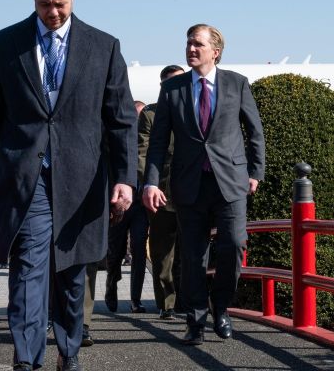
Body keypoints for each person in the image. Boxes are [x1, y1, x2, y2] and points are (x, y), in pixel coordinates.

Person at [0, 0, 136, 371]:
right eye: (45, 3)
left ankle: (69, 351)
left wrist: (125, 178)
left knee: (71, 272)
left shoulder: (103, 46)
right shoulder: (3, 45)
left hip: (81, 180)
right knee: (28, 269)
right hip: (26, 178)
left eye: (61, 4)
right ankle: (26, 359)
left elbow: (120, 120)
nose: (53, 12)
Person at [143, 24, 265, 345]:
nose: (191, 49)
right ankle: (195, 320)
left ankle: (220, 307)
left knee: (234, 245)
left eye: (198, 44)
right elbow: (158, 141)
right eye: (188, 43)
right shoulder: (173, 89)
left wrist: (255, 172)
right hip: (189, 184)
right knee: (193, 257)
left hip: (231, 183)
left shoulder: (237, 83)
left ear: (216, 51)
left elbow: (255, 132)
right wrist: (151, 183)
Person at [138, 65, 185, 320]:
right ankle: (167, 304)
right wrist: (150, 185)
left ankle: (187, 301)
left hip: (191, 191)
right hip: (162, 191)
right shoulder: (150, 115)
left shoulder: (193, 110)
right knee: (162, 253)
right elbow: (143, 153)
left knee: (191, 251)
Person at [105, 101, 149, 314]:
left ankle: (135, 299)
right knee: (115, 251)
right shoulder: (118, 141)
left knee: (139, 249)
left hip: (140, 205)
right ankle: (111, 286)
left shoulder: (149, 142)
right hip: (120, 204)